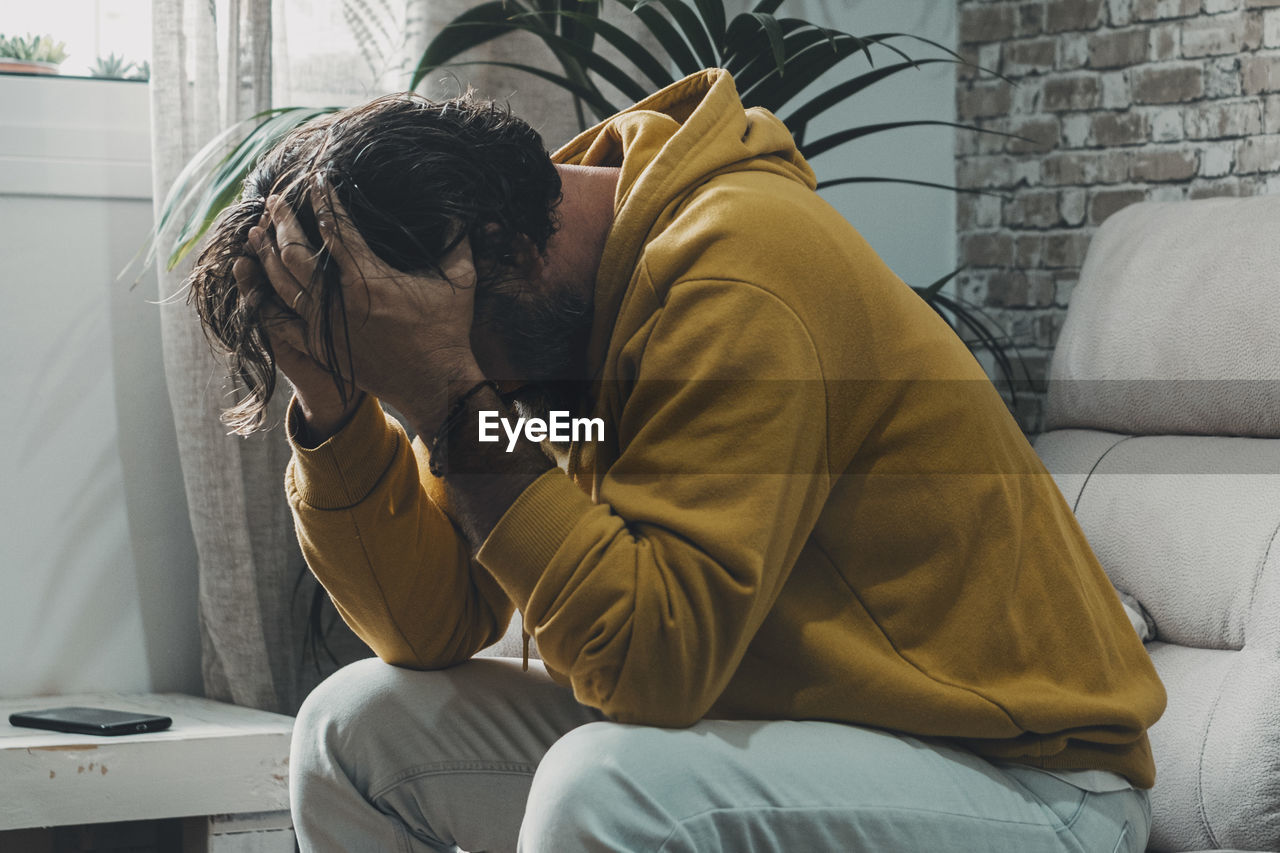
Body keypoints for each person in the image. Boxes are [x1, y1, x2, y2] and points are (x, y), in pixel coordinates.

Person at [188, 69, 1166, 852]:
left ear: (493, 244)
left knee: (606, 793)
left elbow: (653, 665)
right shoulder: (526, 319)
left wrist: (446, 394)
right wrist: (334, 398)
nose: (459, 388)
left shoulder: (739, 271)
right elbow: (432, 626)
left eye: (419, 353)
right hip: (774, 741)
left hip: (1026, 787)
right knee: (352, 734)